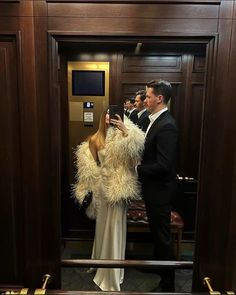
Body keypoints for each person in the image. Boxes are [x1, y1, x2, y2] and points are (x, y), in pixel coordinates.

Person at [74, 108, 145, 291]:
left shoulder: (123, 138)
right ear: (101, 118)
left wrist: (126, 132)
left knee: (115, 228)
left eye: (111, 115)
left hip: (118, 189)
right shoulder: (95, 139)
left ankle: (112, 272)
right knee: (102, 227)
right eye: (105, 115)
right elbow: (94, 165)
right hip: (102, 189)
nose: (108, 118)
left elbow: (135, 158)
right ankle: (100, 263)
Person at [136, 80, 178, 292]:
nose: (145, 100)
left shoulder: (167, 125)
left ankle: (168, 284)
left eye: (148, 96)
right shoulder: (155, 120)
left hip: (161, 191)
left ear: (159, 98)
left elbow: (163, 165)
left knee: (162, 237)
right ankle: (159, 267)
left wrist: (137, 169)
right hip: (153, 189)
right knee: (156, 233)